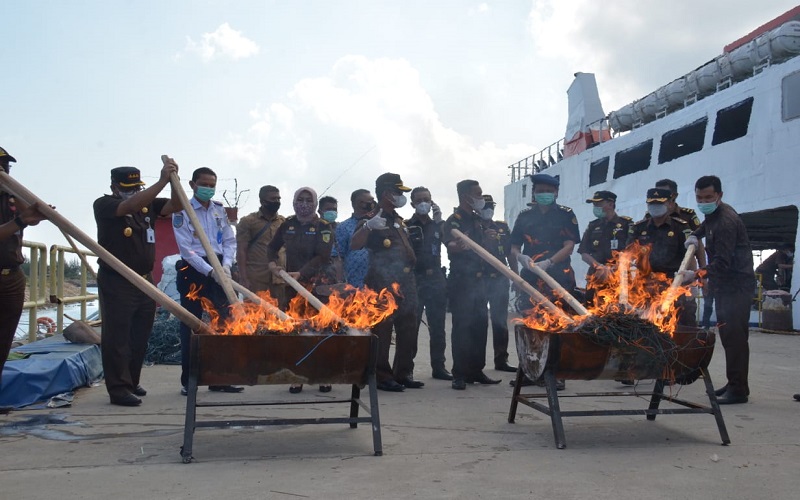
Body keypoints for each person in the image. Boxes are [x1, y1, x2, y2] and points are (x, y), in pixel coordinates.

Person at [94, 162, 181, 406]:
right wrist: (161, 181)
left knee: (140, 334)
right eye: (128, 188)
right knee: (118, 336)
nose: (133, 192)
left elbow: (176, 205)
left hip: (145, 280)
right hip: (118, 280)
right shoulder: (105, 205)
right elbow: (128, 205)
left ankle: (132, 381)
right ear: (114, 187)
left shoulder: (148, 205)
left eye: (136, 187)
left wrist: (174, 182)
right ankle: (118, 389)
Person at [686, 175, 755, 405]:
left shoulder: (725, 221)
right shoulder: (713, 215)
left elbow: (722, 263)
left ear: (719, 196)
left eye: (708, 197)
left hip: (736, 286)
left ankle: (738, 390)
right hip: (726, 286)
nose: (703, 201)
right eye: (699, 197)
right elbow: (703, 227)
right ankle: (735, 382)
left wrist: (695, 275)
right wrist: (695, 236)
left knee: (734, 338)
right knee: (728, 336)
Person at [173, 167, 243, 396]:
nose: (208, 189)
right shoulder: (182, 211)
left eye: (212, 185)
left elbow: (230, 241)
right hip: (194, 270)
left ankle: (221, 378)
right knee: (192, 326)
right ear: (193, 185)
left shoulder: (218, 211)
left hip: (220, 268)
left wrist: (225, 266)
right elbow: (186, 249)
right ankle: (189, 380)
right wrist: (209, 270)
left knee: (225, 324)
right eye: (204, 184)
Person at [351, 173, 422, 392]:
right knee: (382, 328)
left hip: (406, 281)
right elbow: (354, 245)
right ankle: (382, 376)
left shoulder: (398, 220)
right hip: (383, 282)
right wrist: (368, 227)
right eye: (398, 192)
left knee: (409, 327)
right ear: (386, 193)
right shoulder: (372, 219)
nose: (401, 196)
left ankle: (403, 373)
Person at [510, 173, 580, 390]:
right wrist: (520, 257)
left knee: (557, 323)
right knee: (531, 322)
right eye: (540, 191)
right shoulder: (525, 216)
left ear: (556, 193)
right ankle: (531, 371)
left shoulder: (566, 215)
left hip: (558, 275)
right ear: (534, 193)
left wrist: (549, 262)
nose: (544, 195)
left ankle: (556, 372)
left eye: (548, 191)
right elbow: (514, 246)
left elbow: (570, 245)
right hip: (531, 277)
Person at [267, 187, 334, 393]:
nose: (304, 204)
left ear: (315, 204)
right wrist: (272, 264)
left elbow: (322, 256)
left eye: (308, 200)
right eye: (300, 200)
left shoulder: (323, 227)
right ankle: (297, 376)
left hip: (318, 286)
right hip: (292, 288)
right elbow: (272, 247)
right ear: (294, 202)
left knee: (321, 330)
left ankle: (323, 376)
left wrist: (301, 273)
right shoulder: (287, 225)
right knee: (296, 330)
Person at [443, 179, 500, 390]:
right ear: (466, 196)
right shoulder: (454, 220)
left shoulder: (478, 220)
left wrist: (490, 238)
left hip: (480, 281)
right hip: (462, 282)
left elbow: (486, 247)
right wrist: (460, 246)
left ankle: (476, 370)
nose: (480, 198)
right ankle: (460, 373)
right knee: (462, 327)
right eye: (478, 194)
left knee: (479, 326)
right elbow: (450, 245)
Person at [0, 147, 47, 395]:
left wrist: (13, 190)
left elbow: (35, 215)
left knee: (4, 340)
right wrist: (19, 221)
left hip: (12, 276)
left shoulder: (9, 198)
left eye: (6, 167)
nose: (4, 171)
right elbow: (22, 221)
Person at [406, 186, 451, 380]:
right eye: (419, 200)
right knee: (411, 326)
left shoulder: (437, 226)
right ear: (413, 203)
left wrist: (441, 221)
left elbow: (449, 242)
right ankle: (407, 368)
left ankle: (439, 367)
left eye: (427, 199)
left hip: (436, 280)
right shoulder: (407, 225)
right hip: (415, 279)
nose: (423, 202)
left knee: (438, 326)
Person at [479, 194, 516, 373]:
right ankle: (476, 363)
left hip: (500, 278)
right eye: (485, 206)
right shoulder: (473, 227)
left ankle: (501, 360)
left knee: (500, 321)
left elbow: (510, 254)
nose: (488, 209)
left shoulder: (502, 227)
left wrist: (515, 276)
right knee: (478, 322)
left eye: (491, 206)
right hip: (479, 279)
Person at [578, 190, 632, 307]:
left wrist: (614, 269)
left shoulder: (626, 224)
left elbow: (632, 251)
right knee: (591, 308)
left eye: (598, 204)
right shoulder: (593, 226)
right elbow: (583, 253)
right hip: (596, 275)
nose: (595, 207)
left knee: (618, 311)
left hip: (619, 276)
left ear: (611, 204)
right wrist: (599, 267)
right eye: (594, 204)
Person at [235, 185, 286, 305]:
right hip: (256, 278)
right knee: (255, 314)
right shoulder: (248, 221)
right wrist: (243, 278)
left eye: (278, 199)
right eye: (273, 199)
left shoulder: (283, 222)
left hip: (279, 278)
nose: (277, 202)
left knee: (279, 317)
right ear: (262, 201)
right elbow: (241, 250)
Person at [335, 189, 374, 287]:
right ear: (357, 203)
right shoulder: (344, 227)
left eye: (372, 201)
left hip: (378, 282)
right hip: (354, 284)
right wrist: (340, 281)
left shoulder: (378, 223)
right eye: (367, 201)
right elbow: (338, 256)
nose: (371, 204)